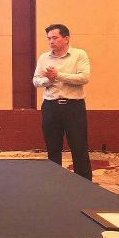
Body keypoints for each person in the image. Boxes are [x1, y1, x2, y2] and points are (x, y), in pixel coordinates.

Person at [33, 24, 92, 180]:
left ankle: (84, 184)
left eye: (55, 38)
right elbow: (36, 80)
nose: (51, 41)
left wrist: (58, 75)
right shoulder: (44, 57)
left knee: (79, 147)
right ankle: (55, 183)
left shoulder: (79, 55)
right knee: (53, 148)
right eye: (49, 38)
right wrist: (48, 80)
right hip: (50, 106)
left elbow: (84, 78)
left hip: (74, 107)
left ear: (66, 39)